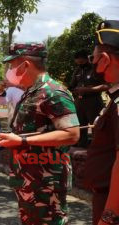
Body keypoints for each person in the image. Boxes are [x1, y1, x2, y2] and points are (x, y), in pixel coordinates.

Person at [0, 43, 80, 225]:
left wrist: (21, 140)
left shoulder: (54, 92)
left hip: (47, 182)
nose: (10, 70)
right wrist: (12, 138)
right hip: (28, 180)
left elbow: (71, 134)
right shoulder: (31, 92)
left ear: (25, 65)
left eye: (12, 65)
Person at [83, 20, 119, 225]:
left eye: (93, 59)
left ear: (105, 59)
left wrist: (109, 216)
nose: (93, 64)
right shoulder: (115, 98)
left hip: (112, 206)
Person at [69, 49, 109, 147]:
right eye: (78, 63)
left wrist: (87, 89)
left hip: (93, 101)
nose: (80, 65)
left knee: (96, 125)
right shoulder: (77, 70)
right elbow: (72, 86)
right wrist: (73, 90)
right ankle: (81, 145)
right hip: (79, 101)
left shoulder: (96, 69)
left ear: (87, 58)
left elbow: (106, 85)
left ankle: (98, 146)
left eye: (82, 62)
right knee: (80, 125)